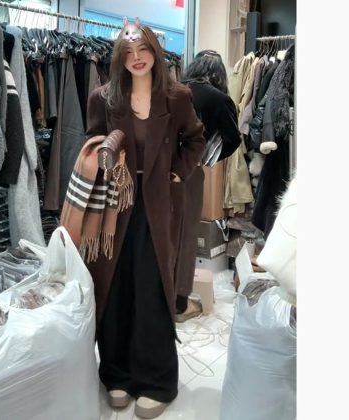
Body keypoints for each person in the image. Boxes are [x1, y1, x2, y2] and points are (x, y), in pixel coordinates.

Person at [76, 21, 205, 419]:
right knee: (114, 286)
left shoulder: (177, 97)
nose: (136, 58)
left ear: (155, 52)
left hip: (158, 203)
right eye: (128, 52)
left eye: (143, 49)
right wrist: (106, 157)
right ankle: (116, 373)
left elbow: (196, 138)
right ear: (119, 58)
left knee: (152, 287)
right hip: (115, 205)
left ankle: (156, 380)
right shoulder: (103, 98)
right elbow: (92, 142)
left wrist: (177, 171)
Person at [175, 50, 241, 321]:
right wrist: (209, 156)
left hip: (158, 171)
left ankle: (157, 294)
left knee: (162, 233)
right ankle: (179, 304)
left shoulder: (175, 90)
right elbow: (233, 138)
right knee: (185, 236)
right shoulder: (219, 99)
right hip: (189, 172)